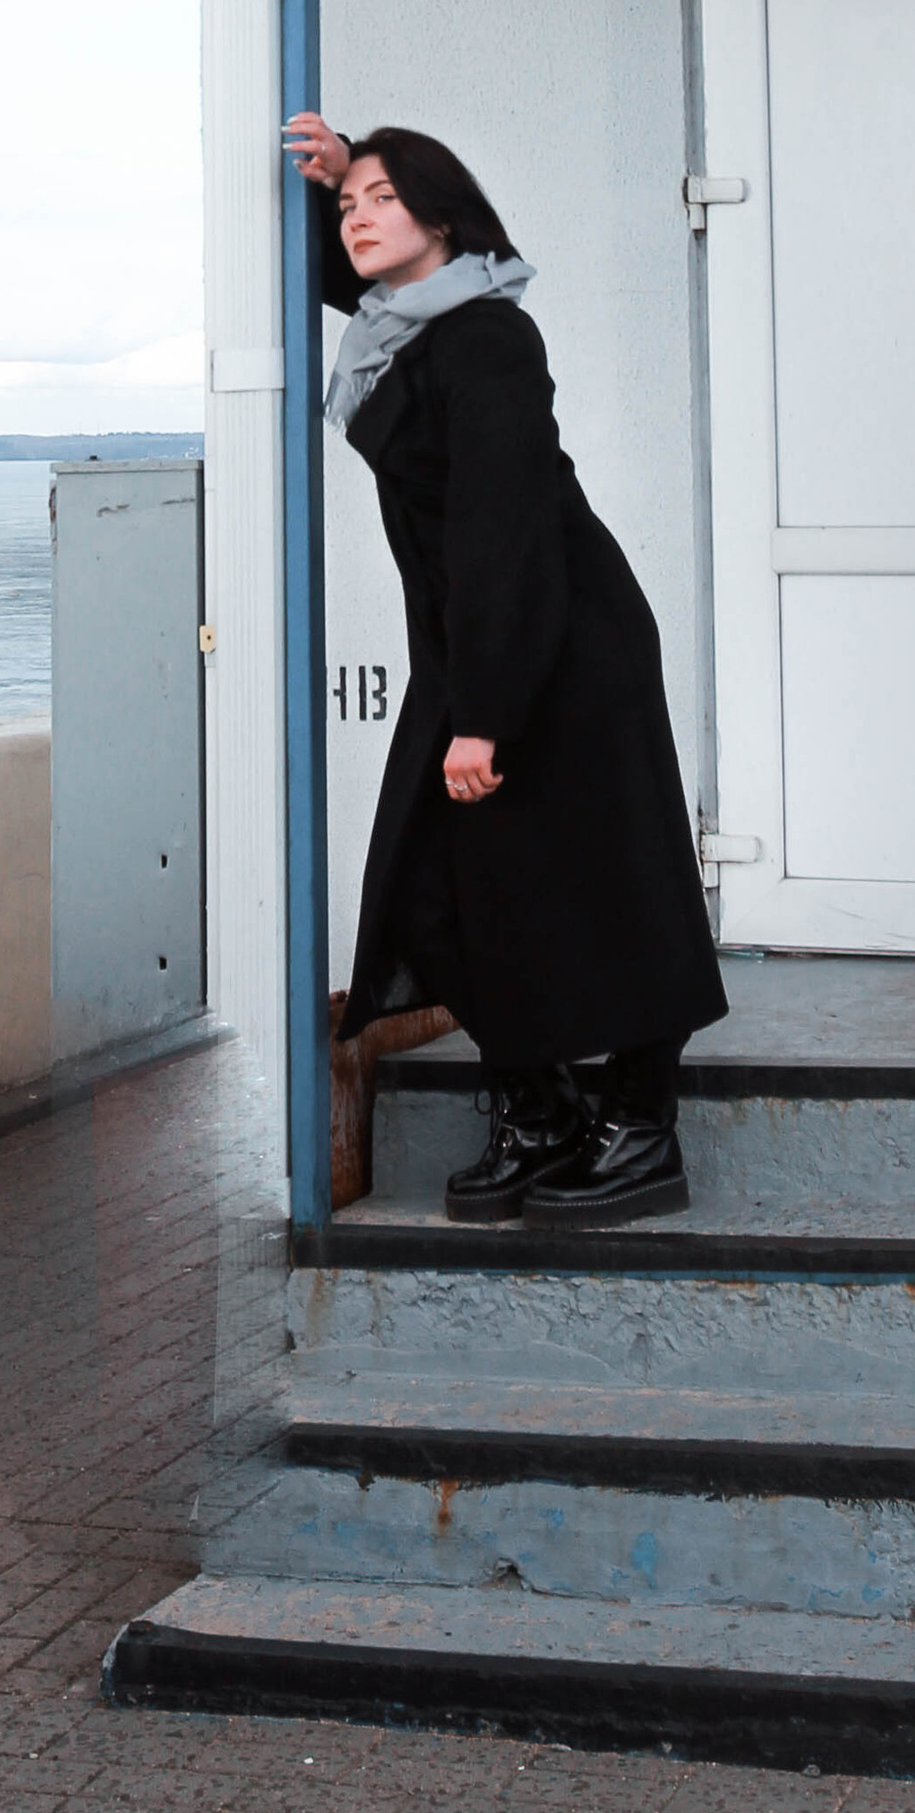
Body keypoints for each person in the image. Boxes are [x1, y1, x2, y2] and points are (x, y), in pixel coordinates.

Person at [286, 109, 727, 1225]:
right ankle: (541, 1115)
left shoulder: (483, 337)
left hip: (557, 642)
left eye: (386, 200)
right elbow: (336, 286)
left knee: (609, 880)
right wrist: (324, 179)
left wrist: (482, 714)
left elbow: (502, 531)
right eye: (350, 209)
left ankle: (637, 1136)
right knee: (436, 893)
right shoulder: (407, 330)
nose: (358, 221)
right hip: (482, 645)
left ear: (443, 218)